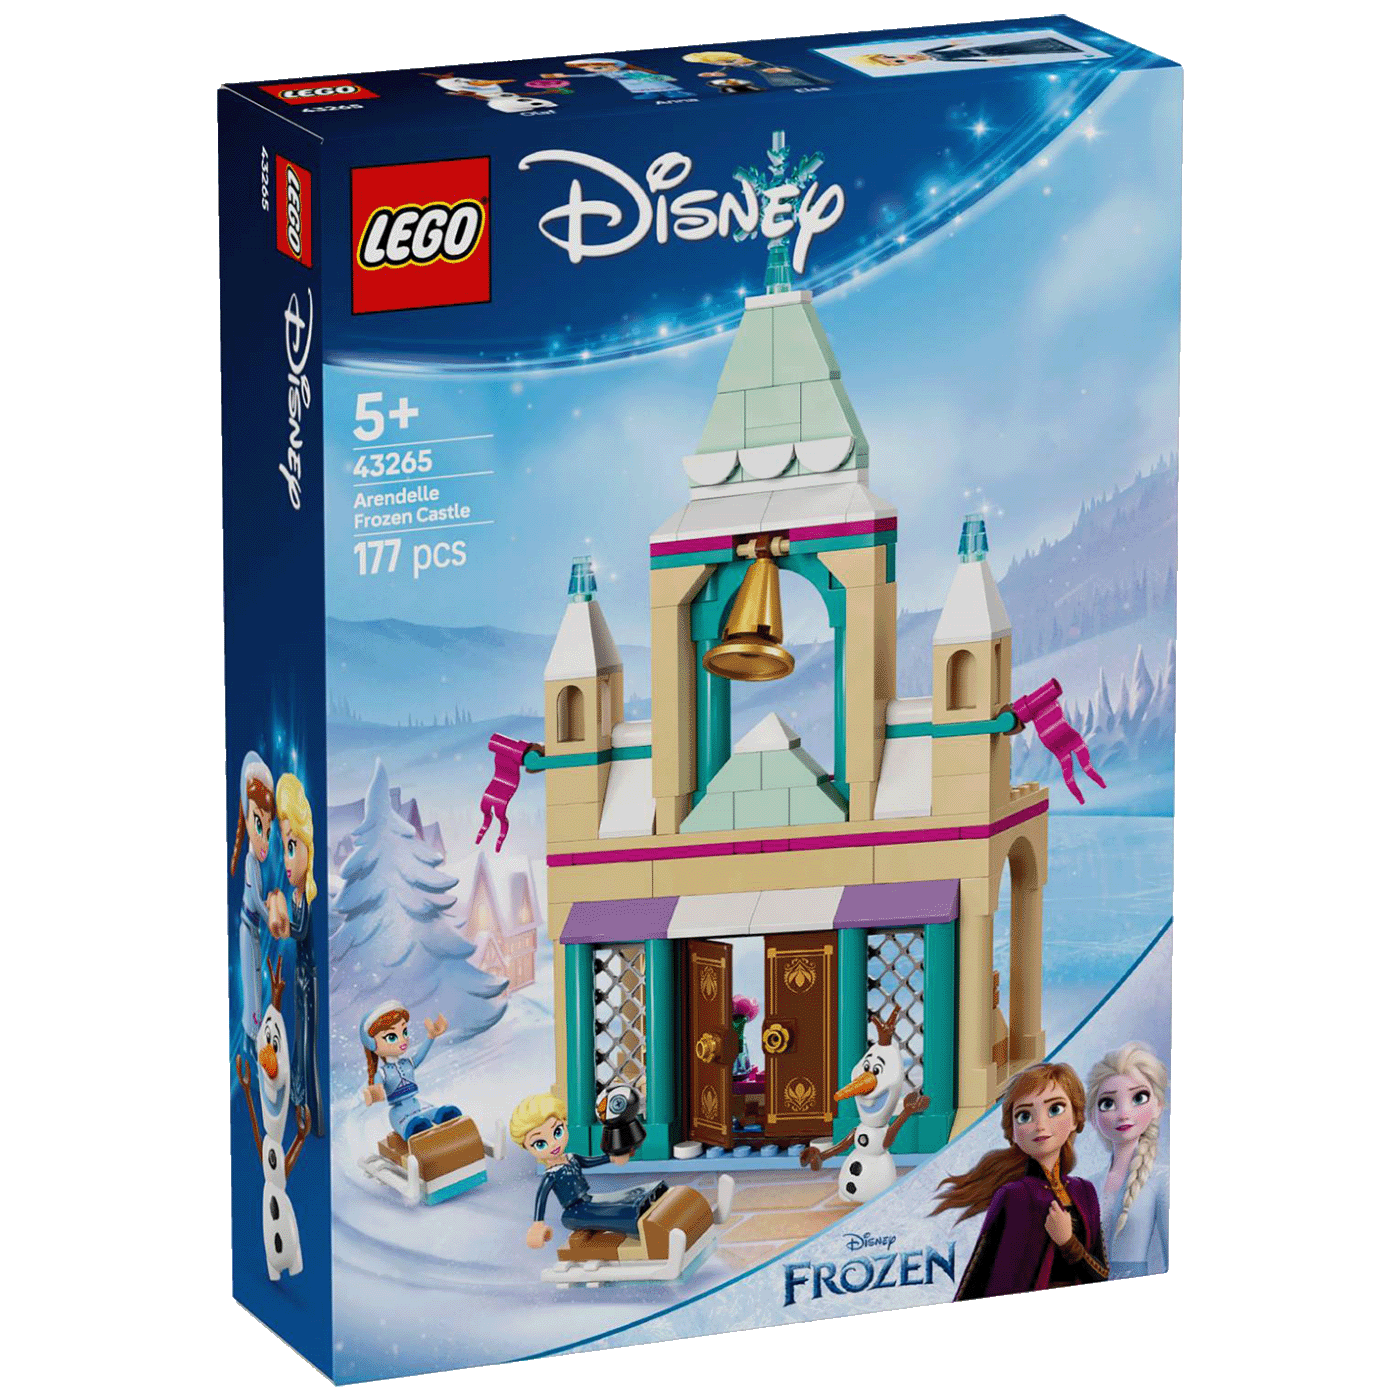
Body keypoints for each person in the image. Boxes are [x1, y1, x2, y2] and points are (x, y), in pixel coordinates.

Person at [933, 1062, 1108, 1298]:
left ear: (1076, 1119)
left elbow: (1102, 1276)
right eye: (1025, 1116)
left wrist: (1068, 1242)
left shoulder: (1084, 1191)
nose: (1040, 1125)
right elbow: (980, 1274)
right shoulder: (1014, 1195)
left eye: (1055, 1109)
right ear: (1013, 1132)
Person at [510, 1093, 663, 1249]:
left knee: (631, 1194)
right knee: (619, 1210)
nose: (553, 1144)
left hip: (589, 1199)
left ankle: (649, 1206)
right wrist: (538, 1224)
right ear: (526, 1147)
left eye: (557, 1132)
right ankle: (640, 1226)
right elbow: (541, 1198)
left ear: (564, 1123)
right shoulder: (551, 1175)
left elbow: (589, 1162)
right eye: (540, 1144)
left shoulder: (571, 1157)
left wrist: (612, 1157)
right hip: (575, 1212)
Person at [270, 772, 324, 1136]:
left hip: (310, 982)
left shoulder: (306, 898)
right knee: (298, 1042)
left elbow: (299, 931)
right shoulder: (295, 895)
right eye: (284, 848)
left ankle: (313, 1114)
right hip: (301, 980)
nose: (288, 860)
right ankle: (300, 1103)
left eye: (293, 847)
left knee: (307, 1048)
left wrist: (280, 918)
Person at [1087, 1043, 1169, 1278]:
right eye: (1108, 1103)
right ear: (1093, 1116)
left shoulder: (1163, 1180)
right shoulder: (1089, 1184)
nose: (1123, 1113)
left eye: (1138, 1097)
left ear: (1158, 1106)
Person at [229, 751, 276, 1047]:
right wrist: (270, 911)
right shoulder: (249, 863)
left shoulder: (255, 864)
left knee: (256, 976)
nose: (264, 841)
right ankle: (252, 1030)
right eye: (259, 826)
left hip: (254, 930)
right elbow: (255, 900)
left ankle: (255, 1031)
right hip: (250, 928)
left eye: (268, 832)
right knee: (252, 980)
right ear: (247, 820)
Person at [360, 1003, 460, 1141]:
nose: (403, 1040)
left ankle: (447, 1123)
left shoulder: (407, 1063)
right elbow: (377, 1090)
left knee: (439, 1113)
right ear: (372, 1044)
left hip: (417, 1103)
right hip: (399, 1112)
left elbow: (420, 1055)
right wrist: (373, 1094)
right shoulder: (382, 1073)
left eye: (404, 1032)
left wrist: (431, 1036)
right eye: (391, 1037)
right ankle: (417, 1133)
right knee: (413, 1125)